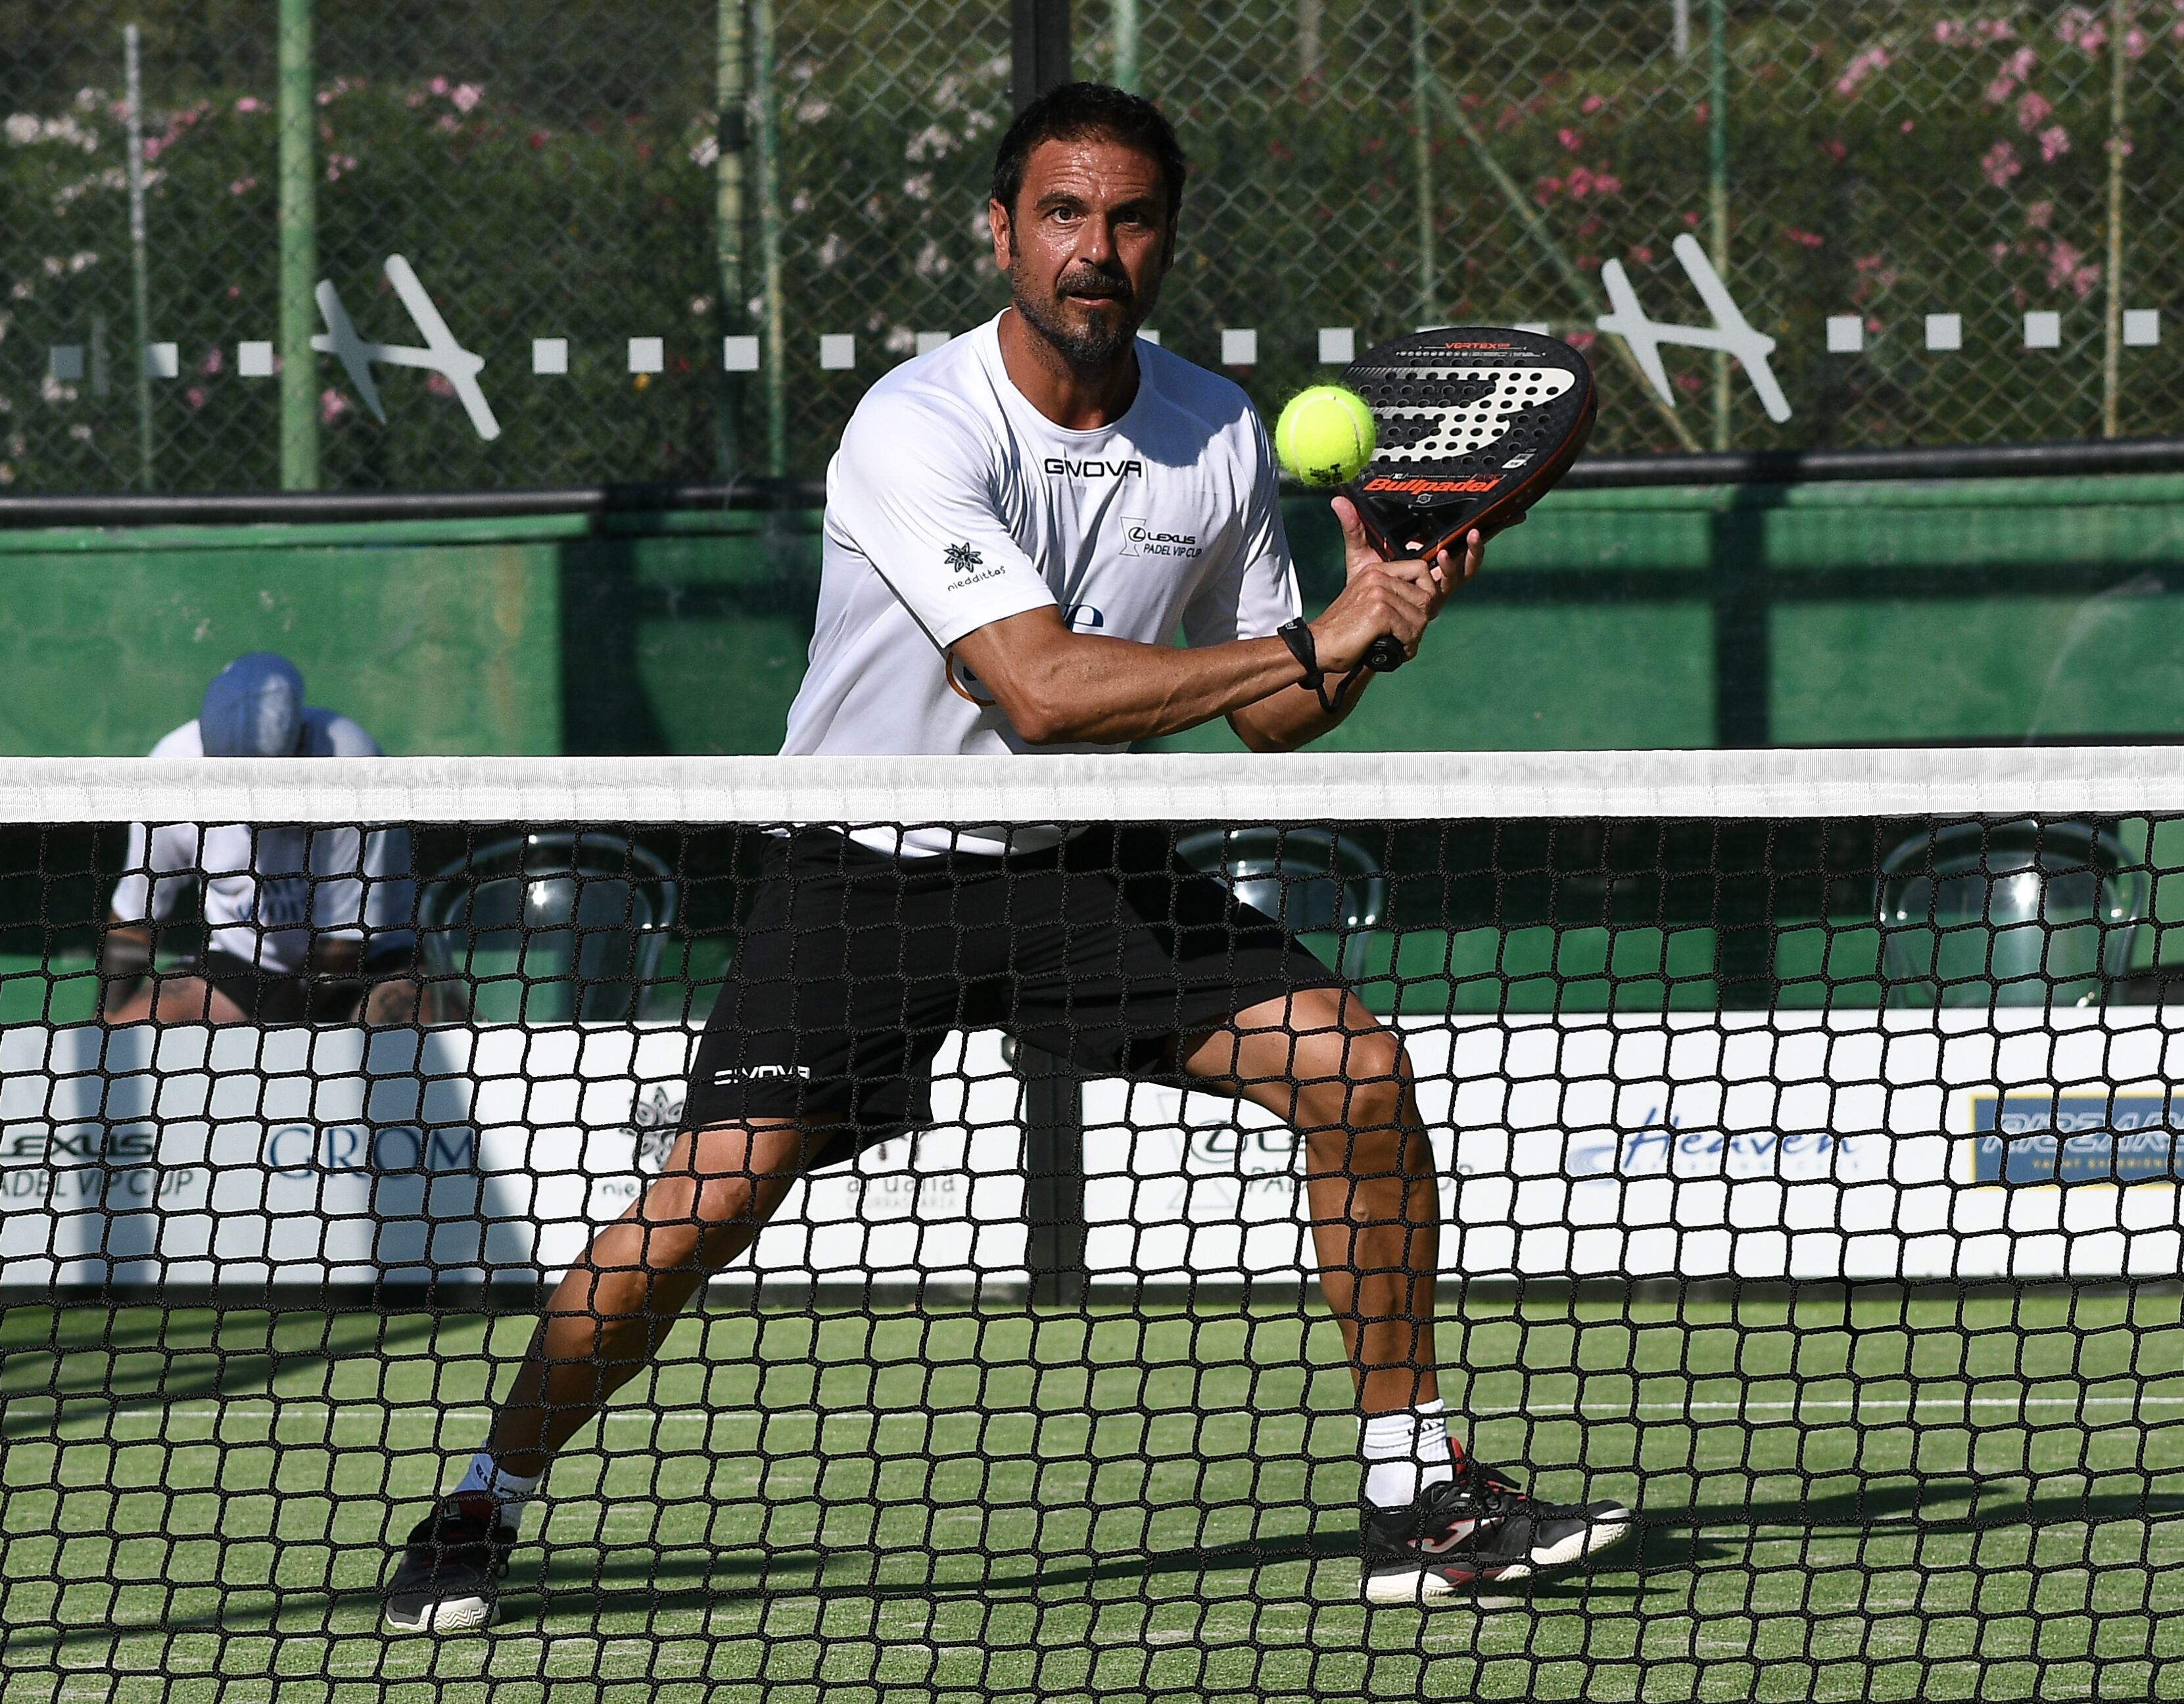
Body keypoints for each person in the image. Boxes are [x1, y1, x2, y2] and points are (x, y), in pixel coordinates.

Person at [383, 82, 1630, 1632]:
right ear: (1001, 231)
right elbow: (1036, 688)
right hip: (869, 867)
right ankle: (486, 1498)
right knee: (703, 1205)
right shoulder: (917, 425)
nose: (1092, 250)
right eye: (1060, 215)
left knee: (1355, 1073)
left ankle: (1409, 1496)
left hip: (1078, 870)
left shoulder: (1218, 430)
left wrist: (1373, 627)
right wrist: (1314, 635)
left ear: (1164, 237)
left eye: (1126, 218)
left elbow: (1270, 721)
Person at [101, 653, 419, 1027]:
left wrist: (284, 1044)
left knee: (422, 1036)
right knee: (126, 1036)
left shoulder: (351, 768)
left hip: (371, 963)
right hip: (238, 966)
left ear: (298, 746)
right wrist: (103, 1025)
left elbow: (346, 944)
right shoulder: (170, 773)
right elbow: (134, 919)